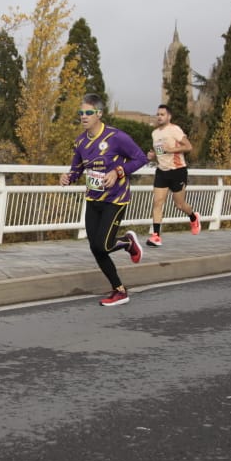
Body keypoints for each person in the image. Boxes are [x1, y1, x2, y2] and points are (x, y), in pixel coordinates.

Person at [60, 93, 149, 306]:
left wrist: (118, 171)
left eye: (88, 112)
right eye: (81, 113)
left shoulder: (116, 137)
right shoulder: (80, 141)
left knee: (105, 244)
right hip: (93, 199)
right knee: (96, 248)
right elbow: (77, 169)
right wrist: (68, 177)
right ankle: (119, 290)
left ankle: (128, 243)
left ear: (99, 114)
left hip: (115, 199)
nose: (83, 116)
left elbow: (141, 158)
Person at [145, 104, 201, 245]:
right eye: (158, 114)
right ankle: (156, 236)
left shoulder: (175, 130)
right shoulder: (155, 133)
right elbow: (159, 153)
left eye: (162, 114)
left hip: (177, 171)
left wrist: (171, 149)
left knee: (180, 205)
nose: (159, 117)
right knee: (157, 203)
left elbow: (188, 147)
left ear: (169, 116)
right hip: (162, 171)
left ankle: (193, 217)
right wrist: (152, 156)